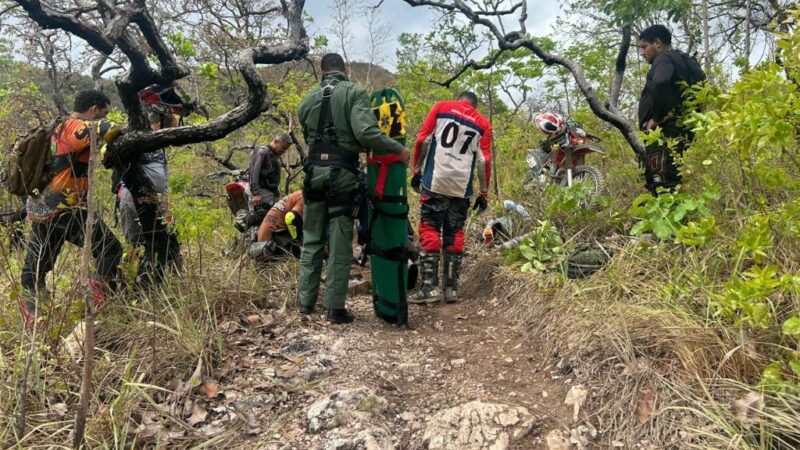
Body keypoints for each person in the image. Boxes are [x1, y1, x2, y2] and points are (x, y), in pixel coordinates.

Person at [296, 52, 409, 324]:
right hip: (341, 175)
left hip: (312, 173)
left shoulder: (307, 99)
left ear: (322, 71)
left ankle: (305, 303)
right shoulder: (353, 93)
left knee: (311, 239)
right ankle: (335, 308)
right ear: (343, 69)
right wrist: (398, 150)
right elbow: (367, 133)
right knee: (339, 241)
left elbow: (311, 136)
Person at [19, 89, 123, 327]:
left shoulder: (56, 125)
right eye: (102, 112)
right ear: (94, 109)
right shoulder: (76, 125)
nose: (103, 116)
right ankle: (98, 300)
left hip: (40, 204)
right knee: (110, 249)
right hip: (65, 205)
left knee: (38, 264)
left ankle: (34, 313)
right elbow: (109, 129)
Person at [409, 91, 492, 304]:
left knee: (430, 228)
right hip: (460, 187)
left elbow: (423, 140)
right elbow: (484, 161)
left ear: (458, 99)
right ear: (475, 105)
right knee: (455, 232)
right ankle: (451, 289)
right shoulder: (483, 124)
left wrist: (416, 171)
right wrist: (484, 192)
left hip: (435, 181)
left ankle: (429, 288)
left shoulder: (441, 107)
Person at [637, 24, 706, 195]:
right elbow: (703, 88)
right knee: (672, 176)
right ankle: (677, 217)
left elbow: (661, 82)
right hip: (682, 130)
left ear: (658, 43)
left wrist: (657, 119)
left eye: (644, 46)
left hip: (664, 131)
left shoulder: (664, 58)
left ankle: (668, 219)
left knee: (661, 181)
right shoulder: (687, 60)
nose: (642, 52)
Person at [116, 110, 182, 287]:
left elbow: (164, 171)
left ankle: (175, 279)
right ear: (159, 126)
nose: (173, 136)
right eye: (171, 130)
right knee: (136, 242)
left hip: (158, 202)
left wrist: (165, 196)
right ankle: (130, 282)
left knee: (170, 237)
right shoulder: (137, 141)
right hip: (132, 200)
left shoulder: (160, 146)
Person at [244, 133, 293, 230]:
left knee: (269, 222)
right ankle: (243, 222)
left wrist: (277, 195)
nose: (284, 151)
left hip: (269, 195)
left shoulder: (273, 155)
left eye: (286, 149)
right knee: (264, 218)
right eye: (283, 148)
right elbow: (254, 172)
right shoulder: (263, 152)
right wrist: (256, 193)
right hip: (261, 194)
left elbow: (271, 180)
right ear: (276, 142)